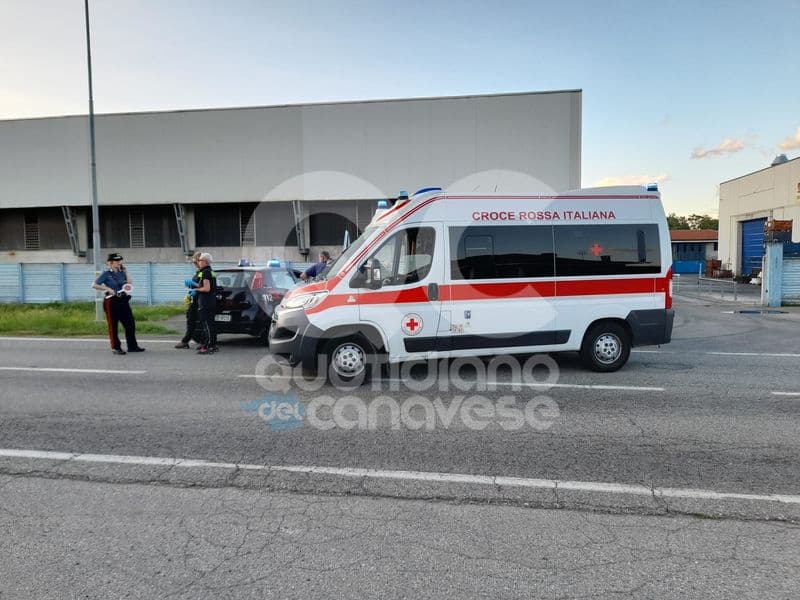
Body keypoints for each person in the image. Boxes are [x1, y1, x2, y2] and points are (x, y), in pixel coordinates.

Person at [92, 252, 145, 355]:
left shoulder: (121, 273)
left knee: (130, 324)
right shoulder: (106, 274)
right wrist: (108, 288)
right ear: (110, 263)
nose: (119, 263)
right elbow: (94, 285)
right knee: (113, 326)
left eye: (119, 261)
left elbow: (129, 284)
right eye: (116, 261)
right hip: (111, 301)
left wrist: (126, 271)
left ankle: (132, 346)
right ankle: (116, 348)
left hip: (123, 300)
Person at [187, 252, 218, 355]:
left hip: (205, 301)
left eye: (199, 260)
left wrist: (196, 290)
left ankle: (209, 346)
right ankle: (212, 344)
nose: (198, 262)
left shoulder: (205, 272)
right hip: (211, 301)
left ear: (205, 261)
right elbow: (209, 286)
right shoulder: (211, 271)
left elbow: (206, 288)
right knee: (211, 324)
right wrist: (195, 285)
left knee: (207, 324)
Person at [175, 252, 202, 349]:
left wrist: (194, 286)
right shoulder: (198, 272)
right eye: (194, 262)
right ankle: (185, 341)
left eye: (196, 262)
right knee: (190, 320)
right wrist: (190, 286)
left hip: (201, 300)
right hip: (194, 300)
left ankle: (203, 342)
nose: (195, 264)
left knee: (201, 322)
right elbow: (195, 284)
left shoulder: (206, 272)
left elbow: (205, 286)